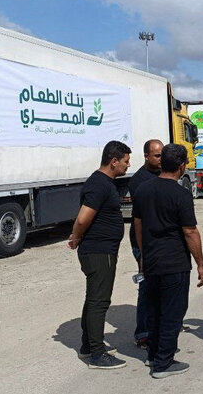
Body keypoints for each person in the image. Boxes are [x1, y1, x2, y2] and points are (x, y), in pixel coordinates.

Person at [133, 144, 203, 379]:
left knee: (154, 309)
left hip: (152, 260)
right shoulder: (181, 194)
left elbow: (137, 224)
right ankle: (163, 363)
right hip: (174, 262)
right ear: (182, 166)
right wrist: (201, 264)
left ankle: (154, 354)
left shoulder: (144, 189)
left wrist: (143, 255)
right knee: (173, 311)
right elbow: (190, 231)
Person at [68, 140, 131, 370]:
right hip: (98, 251)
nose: (127, 165)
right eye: (125, 161)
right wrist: (75, 236)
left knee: (93, 298)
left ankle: (88, 346)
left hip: (101, 250)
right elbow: (83, 218)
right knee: (99, 301)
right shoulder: (99, 184)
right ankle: (97, 354)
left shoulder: (104, 183)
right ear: (113, 161)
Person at [128, 139, 163, 350]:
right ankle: (143, 333)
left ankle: (159, 326)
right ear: (146, 156)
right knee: (147, 286)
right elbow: (143, 218)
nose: (160, 159)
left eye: (162, 155)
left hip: (159, 240)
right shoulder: (139, 181)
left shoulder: (163, 174)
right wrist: (142, 250)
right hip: (144, 241)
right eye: (157, 156)